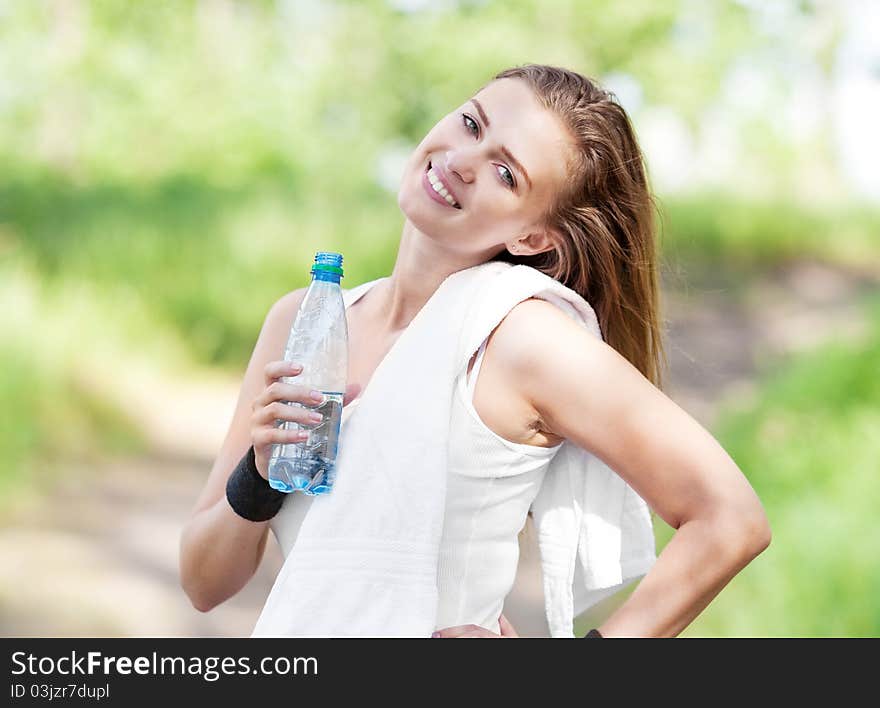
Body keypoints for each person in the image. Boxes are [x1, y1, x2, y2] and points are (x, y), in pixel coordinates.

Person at [179, 64, 771, 638]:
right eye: (471, 123)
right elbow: (204, 584)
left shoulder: (520, 338)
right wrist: (259, 472)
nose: (463, 162)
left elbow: (730, 518)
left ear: (533, 237)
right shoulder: (302, 322)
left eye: (506, 173)